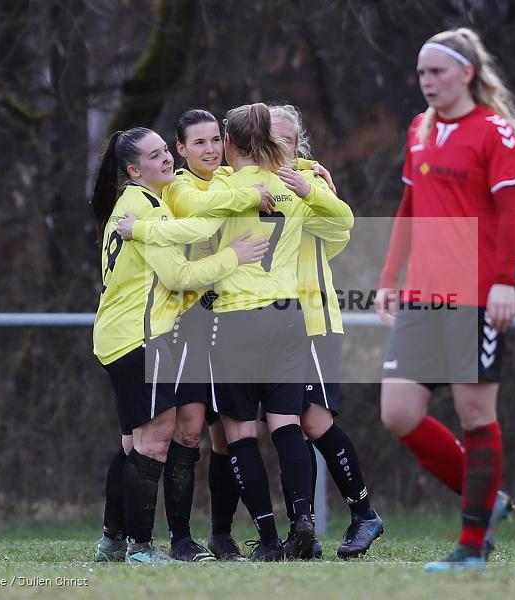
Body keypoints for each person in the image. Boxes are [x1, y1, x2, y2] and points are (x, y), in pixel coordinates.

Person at [118, 103, 353, 561]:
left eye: (217, 140)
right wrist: (311, 182)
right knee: (287, 426)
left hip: (233, 317)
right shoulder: (292, 184)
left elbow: (197, 219)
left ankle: (266, 539)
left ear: (230, 144)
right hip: (289, 316)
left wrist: (140, 228)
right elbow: (343, 222)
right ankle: (302, 520)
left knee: (237, 434)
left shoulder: (225, 187)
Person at [376, 28, 515, 571]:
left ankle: (471, 545)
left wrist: (504, 281)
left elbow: (509, 215)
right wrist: (390, 274)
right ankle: (489, 502)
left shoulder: (495, 132)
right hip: (423, 294)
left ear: (466, 73)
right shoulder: (419, 128)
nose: (426, 82)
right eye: (420, 73)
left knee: (474, 414)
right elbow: (409, 206)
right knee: (398, 412)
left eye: (436, 71)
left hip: (476, 292)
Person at [90, 126, 268, 564]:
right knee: (151, 441)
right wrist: (234, 257)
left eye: (166, 151)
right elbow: (178, 277)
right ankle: (139, 547)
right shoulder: (143, 207)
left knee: (142, 441)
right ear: (134, 170)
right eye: (155, 155)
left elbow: (195, 228)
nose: (167, 158)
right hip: (139, 334)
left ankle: (117, 542)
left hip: (136, 333)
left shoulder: (147, 204)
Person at [269, 104, 384, 559]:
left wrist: (310, 190)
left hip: (313, 320)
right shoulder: (243, 184)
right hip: (266, 323)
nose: (283, 149)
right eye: (273, 140)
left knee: (314, 421)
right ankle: (303, 529)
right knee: (285, 426)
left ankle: (363, 513)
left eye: (290, 141)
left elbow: (341, 227)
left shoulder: (309, 182)